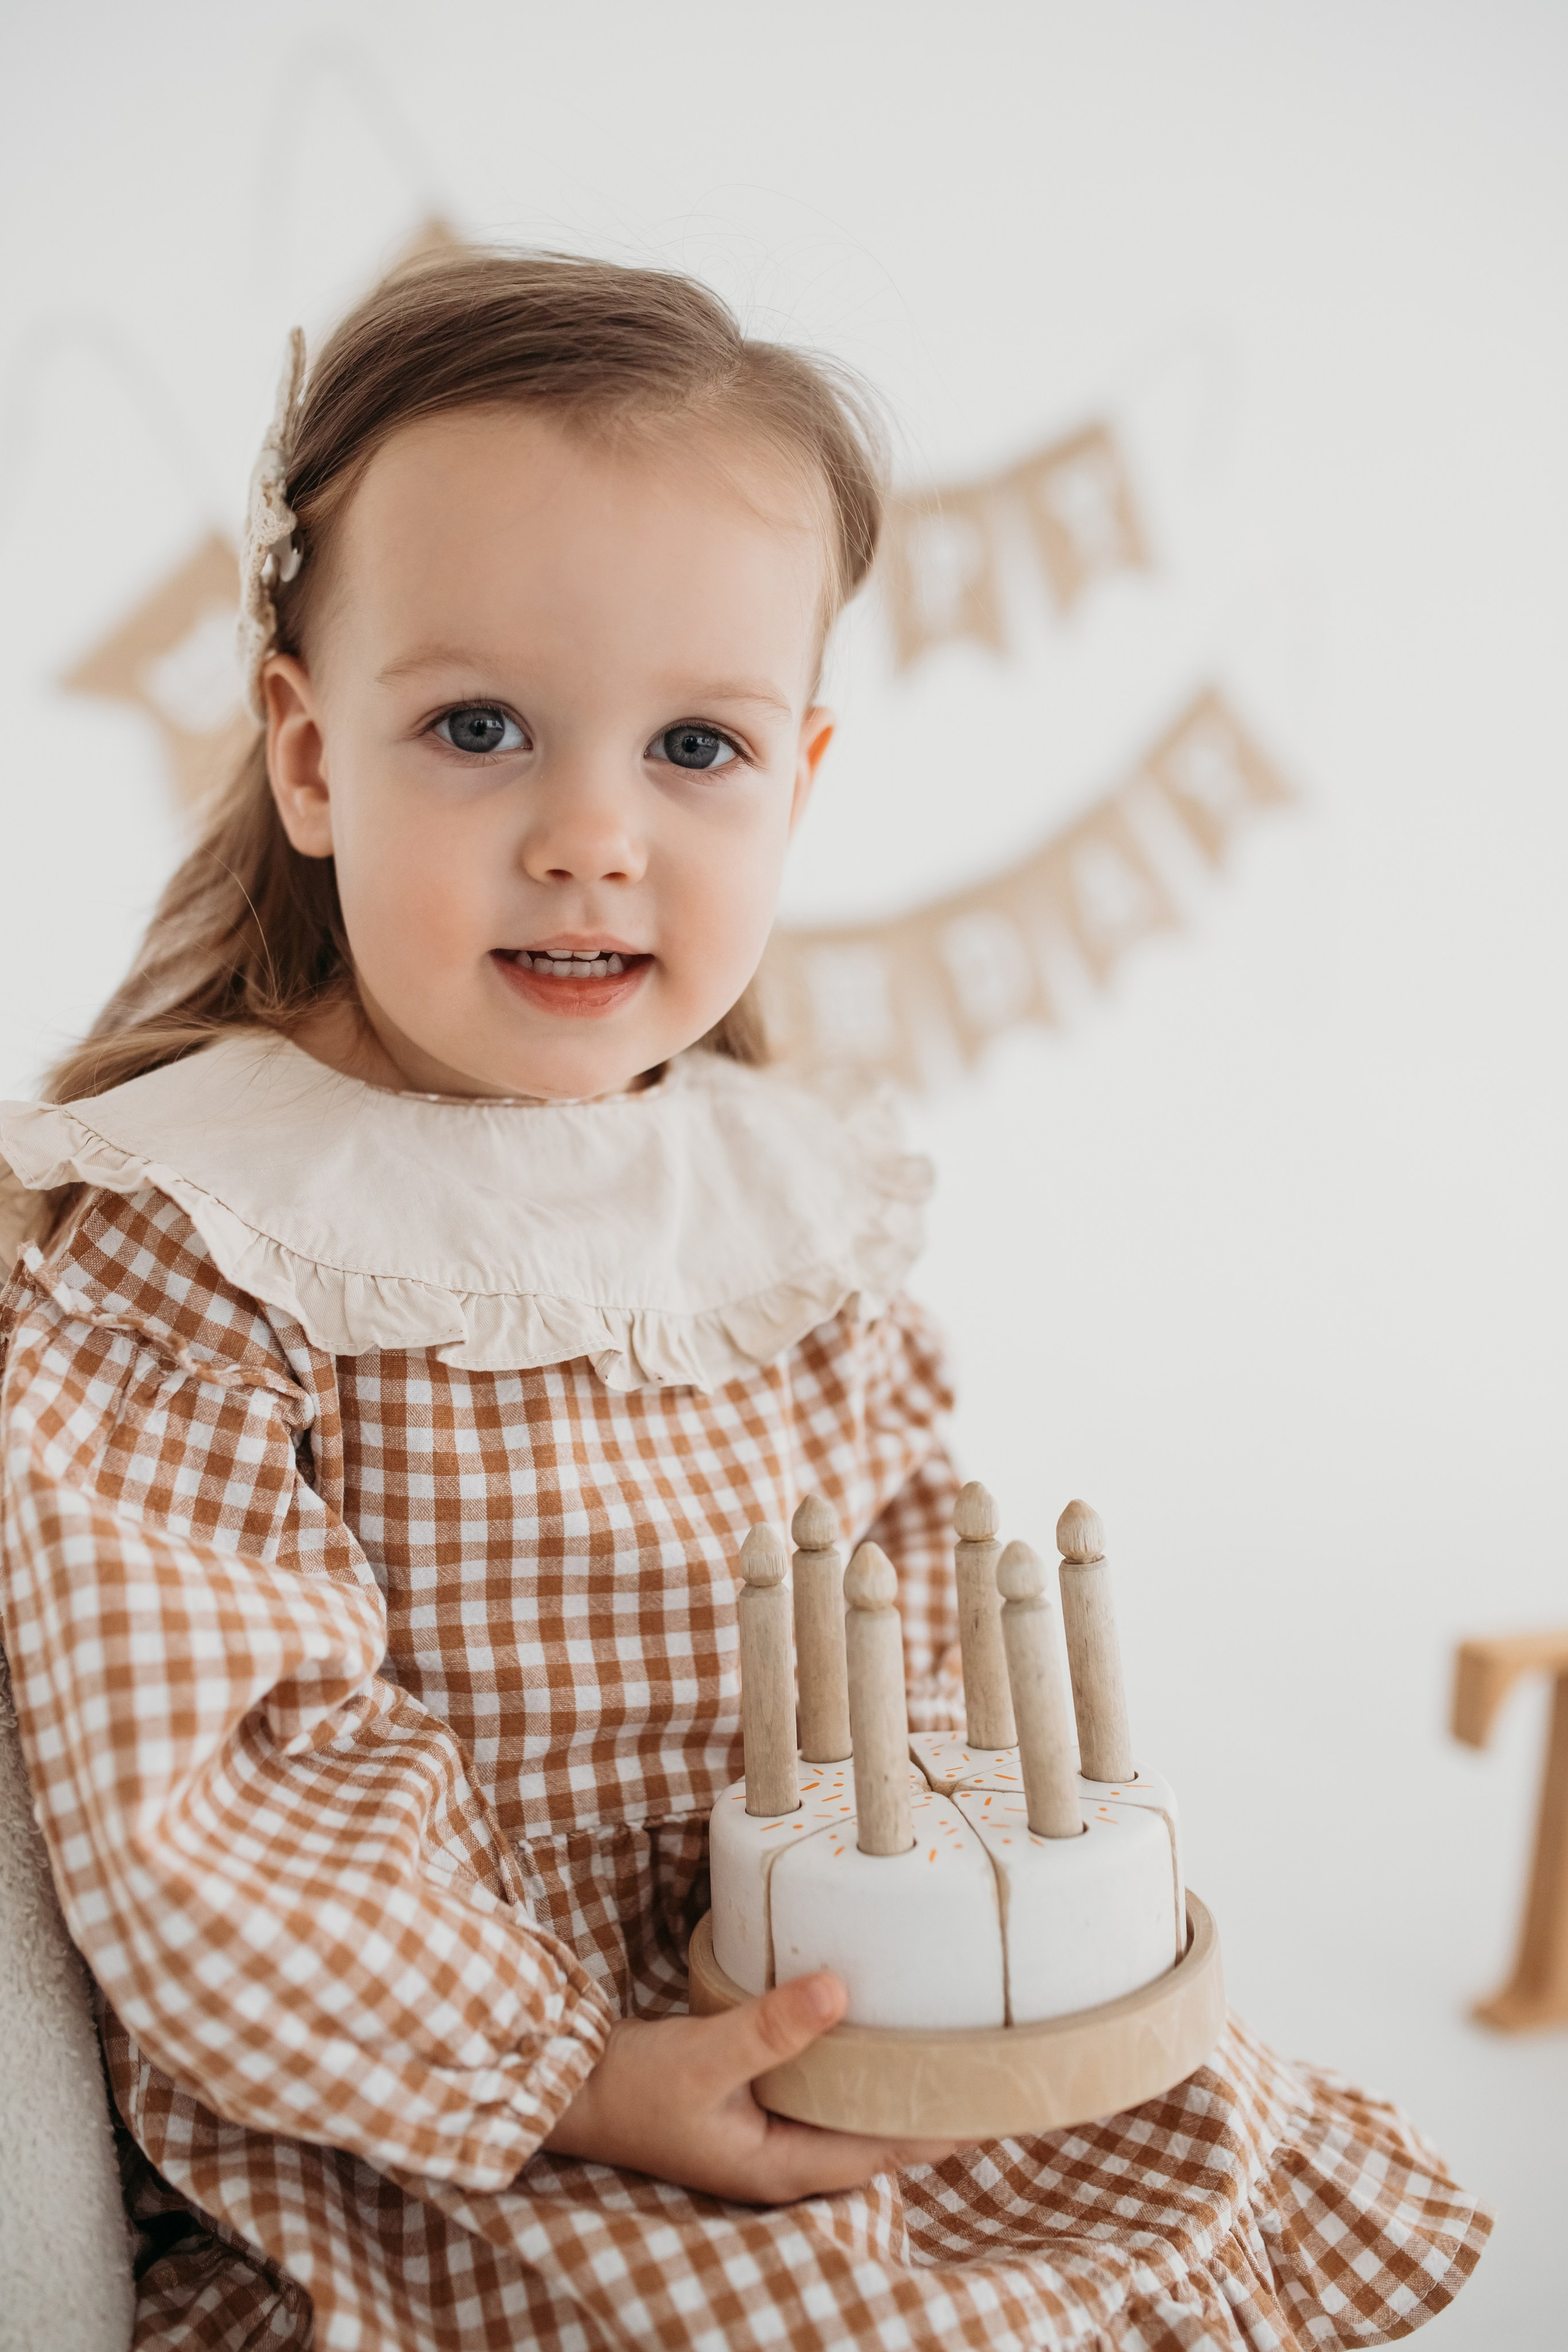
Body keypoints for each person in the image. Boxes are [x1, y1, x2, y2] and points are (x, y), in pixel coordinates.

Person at [0, 249, 1487, 2350]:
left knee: (1185, 2180)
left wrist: (985, 1942)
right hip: (487, 2105)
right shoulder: (216, 1224)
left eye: (692, 746)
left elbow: (920, 1605)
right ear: (310, 754)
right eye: (480, 728)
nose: (591, 836)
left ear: (799, 779)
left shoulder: (781, 1199)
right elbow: (224, 1783)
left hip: (843, 1998)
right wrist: (576, 2074)